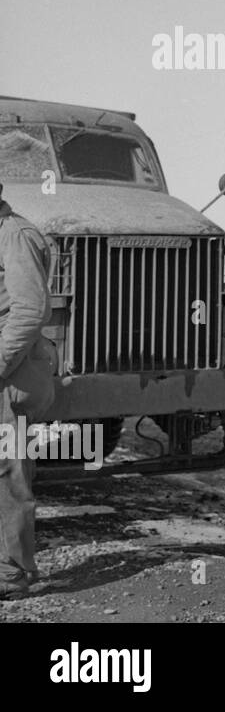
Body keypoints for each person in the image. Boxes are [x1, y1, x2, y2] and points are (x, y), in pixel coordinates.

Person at [0, 185, 55, 599]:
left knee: (8, 473)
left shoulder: (14, 235)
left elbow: (30, 310)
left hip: (10, 377)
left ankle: (14, 573)